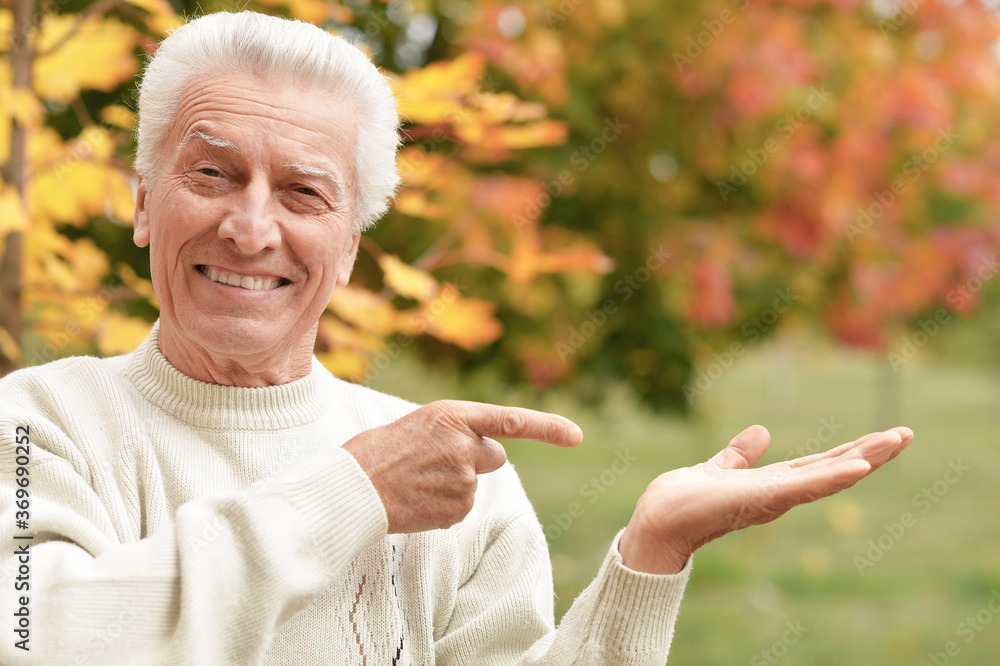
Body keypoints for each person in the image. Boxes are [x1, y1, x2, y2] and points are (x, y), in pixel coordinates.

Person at [0, 11, 912, 665]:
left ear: (351, 249)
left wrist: (648, 558)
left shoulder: (451, 476)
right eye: (212, 173)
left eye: (303, 193)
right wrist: (349, 495)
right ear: (143, 204)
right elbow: (34, 638)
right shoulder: (35, 424)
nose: (250, 227)